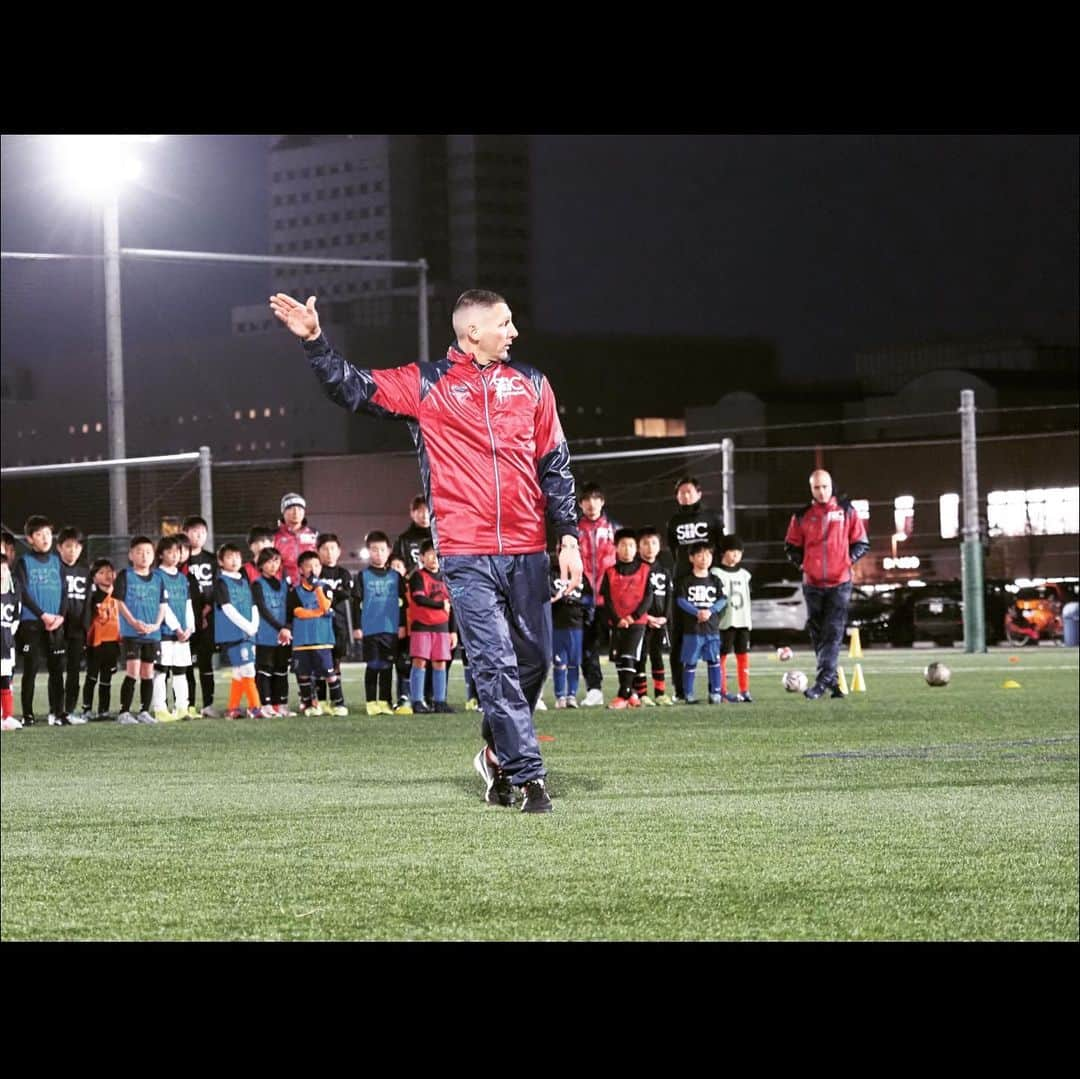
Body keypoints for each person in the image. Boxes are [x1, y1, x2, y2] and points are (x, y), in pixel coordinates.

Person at [270, 287, 580, 813]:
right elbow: (354, 388)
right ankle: (530, 780)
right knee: (495, 663)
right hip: (463, 551)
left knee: (531, 664)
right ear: (473, 331)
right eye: (505, 324)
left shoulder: (532, 384)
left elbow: (555, 462)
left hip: (529, 548)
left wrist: (567, 535)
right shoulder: (427, 384)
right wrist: (317, 342)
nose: (514, 333)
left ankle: (496, 755)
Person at [784, 469, 870, 699]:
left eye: (825, 486)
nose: (821, 491)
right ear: (811, 489)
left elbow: (861, 543)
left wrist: (845, 561)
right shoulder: (802, 516)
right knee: (818, 633)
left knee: (833, 631)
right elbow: (791, 546)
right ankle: (833, 682)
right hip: (812, 584)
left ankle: (821, 683)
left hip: (839, 583)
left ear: (832, 486)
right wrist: (804, 564)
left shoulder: (847, 511)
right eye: (816, 487)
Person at [666, 477, 726, 702]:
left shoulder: (712, 518)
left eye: (689, 491)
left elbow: (720, 547)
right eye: (680, 492)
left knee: (713, 637)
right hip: (682, 582)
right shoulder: (673, 521)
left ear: (699, 493)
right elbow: (674, 550)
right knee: (679, 638)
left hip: (707, 583)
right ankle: (681, 689)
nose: (685, 496)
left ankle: (717, 690)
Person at [15, 515, 68, 726]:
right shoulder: (23, 562)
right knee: (31, 670)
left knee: (57, 670)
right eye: (39, 534)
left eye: (47, 533)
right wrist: (42, 615)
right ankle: (27, 714)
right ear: (29, 539)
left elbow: (65, 591)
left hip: (55, 623)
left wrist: (60, 616)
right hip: (32, 623)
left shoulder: (57, 561)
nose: (45, 538)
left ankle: (58, 712)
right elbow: (23, 593)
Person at [114, 535, 171, 725]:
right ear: (131, 555)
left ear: (154, 555)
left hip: (152, 633)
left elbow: (163, 605)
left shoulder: (158, 578)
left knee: (148, 672)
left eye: (148, 552)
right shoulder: (125, 575)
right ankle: (124, 712)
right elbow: (119, 602)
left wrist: (155, 625)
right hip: (132, 633)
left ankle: (144, 711)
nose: (144, 556)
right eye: (139, 552)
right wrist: (133, 622)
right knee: (133, 671)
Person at [353, 530, 407, 716]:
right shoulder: (362, 576)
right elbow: (355, 603)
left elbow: (402, 604)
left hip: (390, 628)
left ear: (389, 550)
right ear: (368, 552)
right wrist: (357, 627)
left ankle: (385, 701)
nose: (379, 553)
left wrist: (402, 625)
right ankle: (370, 701)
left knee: (386, 666)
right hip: (370, 628)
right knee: (373, 665)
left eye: (382, 549)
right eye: (374, 550)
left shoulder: (396, 576)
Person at [599, 528, 654, 709]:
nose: (627, 549)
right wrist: (617, 619)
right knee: (621, 659)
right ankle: (631, 695)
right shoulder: (609, 572)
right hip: (617, 623)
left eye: (631, 545)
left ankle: (623, 695)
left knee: (630, 655)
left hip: (637, 623)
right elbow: (606, 599)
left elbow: (648, 598)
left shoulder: (646, 570)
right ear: (616, 548)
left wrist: (633, 617)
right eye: (623, 545)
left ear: (636, 548)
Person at [576, 482, 619, 707]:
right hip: (584, 597)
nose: (591, 504)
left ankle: (629, 689)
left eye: (596, 498)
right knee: (587, 644)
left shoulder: (614, 527)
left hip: (611, 596)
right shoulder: (573, 530)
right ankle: (594, 689)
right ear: (580, 503)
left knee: (621, 642)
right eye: (587, 499)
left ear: (602, 501)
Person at [287, 551, 346, 716]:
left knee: (329, 674)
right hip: (301, 641)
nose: (313, 569)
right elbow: (298, 612)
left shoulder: (326, 588)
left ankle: (339, 704)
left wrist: (318, 587)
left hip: (322, 640)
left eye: (316, 565)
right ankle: (309, 705)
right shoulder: (295, 592)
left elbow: (326, 606)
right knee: (303, 675)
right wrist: (318, 613)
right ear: (300, 570)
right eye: (309, 566)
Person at [213, 542, 263, 719]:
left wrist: (254, 626)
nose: (233, 560)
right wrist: (248, 626)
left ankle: (233, 708)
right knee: (248, 670)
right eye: (229, 557)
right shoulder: (221, 582)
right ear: (221, 561)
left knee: (240, 671)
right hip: (234, 634)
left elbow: (253, 605)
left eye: (237, 556)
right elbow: (227, 608)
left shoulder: (244, 581)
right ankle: (255, 707)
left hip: (248, 632)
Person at [406, 540, 456, 714]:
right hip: (422, 626)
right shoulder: (417, 576)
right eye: (430, 554)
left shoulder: (446, 577)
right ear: (422, 557)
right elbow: (418, 598)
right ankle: (417, 700)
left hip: (442, 627)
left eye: (437, 554)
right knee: (419, 661)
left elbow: (452, 606)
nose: (434, 558)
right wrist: (440, 605)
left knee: (440, 663)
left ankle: (440, 701)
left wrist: (453, 631)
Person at [674, 541, 727, 704]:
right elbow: (681, 601)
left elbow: (723, 600)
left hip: (711, 629)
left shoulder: (715, 580)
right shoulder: (686, 581)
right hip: (692, 630)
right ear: (691, 558)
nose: (704, 558)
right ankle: (688, 694)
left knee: (714, 661)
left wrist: (710, 611)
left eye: (708, 554)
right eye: (699, 555)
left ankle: (715, 692)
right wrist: (697, 612)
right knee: (690, 662)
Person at [152, 535, 196, 721]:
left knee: (180, 671)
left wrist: (189, 628)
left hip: (182, 635)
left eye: (177, 552)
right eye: (169, 552)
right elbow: (163, 606)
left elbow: (187, 604)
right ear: (161, 554)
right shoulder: (156, 576)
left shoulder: (182, 578)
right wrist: (176, 628)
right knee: (161, 671)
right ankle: (160, 708)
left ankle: (182, 708)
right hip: (165, 633)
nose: (174, 555)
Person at [182, 515, 218, 717]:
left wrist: (207, 610)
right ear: (185, 533)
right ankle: (188, 705)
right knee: (185, 664)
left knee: (206, 661)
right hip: (186, 619)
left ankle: (208, 704)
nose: (199, 535)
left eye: (203, 532)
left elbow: (217, 589)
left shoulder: (212, 560)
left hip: (206, 618)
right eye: (194, 531)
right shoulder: (180, 560)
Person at [252, 547, 294, 717]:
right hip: (266, 635)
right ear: (261, 565)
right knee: (265, 671)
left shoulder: (285, 584)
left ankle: (281, 705)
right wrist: (280, 628)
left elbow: (291, 608)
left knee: (281, 670)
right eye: (269, 561)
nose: (273, 565)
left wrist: (288, 628)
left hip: (284, 635)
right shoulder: (257, 584)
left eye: (276, 561)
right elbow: (263, 609)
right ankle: (266, 705)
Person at [635, 526, 674, 705]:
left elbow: (669, 597)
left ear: (659, 546)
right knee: (641, 656)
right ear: (638, 546)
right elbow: (634, 598)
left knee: (657, 656)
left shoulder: (664, 571)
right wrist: (646, 617)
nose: (649, 547)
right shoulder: (635, 570)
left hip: (660, 622)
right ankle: (642, 694)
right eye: (645, 543)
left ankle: (660, 693)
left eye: (653, 543)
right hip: (642, 622)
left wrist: (665, 617)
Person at [550, 546, 592, 709]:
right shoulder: (552, 574)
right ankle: (560, 696)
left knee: (574, 662)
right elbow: (548, 594)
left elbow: (589, 598)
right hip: (558, 625)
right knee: (559, 662)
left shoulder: (580, 576)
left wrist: (576, 602)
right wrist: (559, 598)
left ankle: (571, 696)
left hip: (576, 626)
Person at [315, 532, 353, 710]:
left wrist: (326, 592)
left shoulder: (343, 573)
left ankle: (337, 700)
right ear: (318, 551)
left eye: (332, 548)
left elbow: (346, 593)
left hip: (338, 625)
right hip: (318, 625)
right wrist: (332, 591)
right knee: (319, 663)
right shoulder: (315, 572)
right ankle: (320, 700)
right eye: (324, 549)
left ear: (339, 551)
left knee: (335, 664)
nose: (329, 552)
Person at [56, 525, 90, 723]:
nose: (72, 550)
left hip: (77, 629)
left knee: (74, 671)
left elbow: (87, 600)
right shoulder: (55, 568)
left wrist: (85, 626)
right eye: (68, 546)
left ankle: (69, 710)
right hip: (58, 627)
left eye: (77, 547)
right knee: (57, 670)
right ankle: (56, 710)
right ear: (59, 547)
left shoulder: (84, 570)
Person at [80, 558, 121, 720]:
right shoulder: (92, 596)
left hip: (112, 641)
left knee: (107, 677)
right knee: (92, 676)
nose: (107, 576)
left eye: (110, 572)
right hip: (96, 642)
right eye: (102, 573)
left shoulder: (118, 594)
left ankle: (103, 710)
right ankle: (86, 709)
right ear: (94, 577)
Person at [714, 534, 753, 703]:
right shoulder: (715, 573)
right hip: (725, 622)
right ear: (723, 552)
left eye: (739, 552)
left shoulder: (745, 574)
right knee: (721, 656)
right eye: (732, 551)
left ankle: (744, 690)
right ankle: (722, 690)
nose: (736, 555)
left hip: (743, 620)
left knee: (743, 655)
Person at [273, 493, 319, 587]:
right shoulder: (274, 536)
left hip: (310, 586)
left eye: (299, 508)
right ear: (283, 511)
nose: (296, 512)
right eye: (290, 508)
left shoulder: (314, 534)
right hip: (283, 587)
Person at [1, 554, 21, 730]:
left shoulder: (11, 596)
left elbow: (15, 620)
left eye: (4, 569)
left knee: (6, 680)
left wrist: (8, 638)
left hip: (6, 645)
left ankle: (7, 716)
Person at [393, 496, 433, 572]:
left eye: (428, 511)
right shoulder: (403, 540)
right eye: (420, 511)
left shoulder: (440, 538)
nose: (425, 516)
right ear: (412, 513)